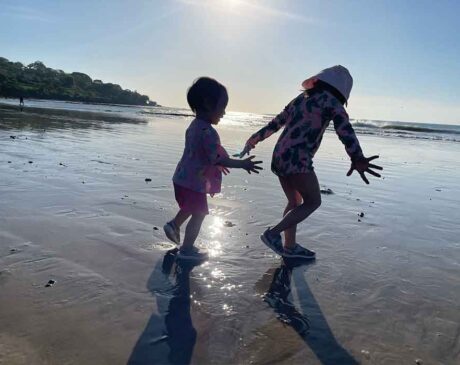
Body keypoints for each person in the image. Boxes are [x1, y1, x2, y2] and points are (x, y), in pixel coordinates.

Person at [239, 65, 382, 259]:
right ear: (343, 91)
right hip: (298, 160)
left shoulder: (301, 99)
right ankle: (273, 234)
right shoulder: (333, 103)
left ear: (318, 81)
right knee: (313, 201)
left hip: (279, 156)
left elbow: (276, 122)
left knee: (294, 201)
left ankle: (290, 248)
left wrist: (254, 139)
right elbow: (345, 131)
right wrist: (357, 157)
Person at [164, 77, 262, 261]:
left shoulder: (194, 127)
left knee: (191, 207)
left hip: (182, 178)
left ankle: (174, 225)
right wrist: (242, 164)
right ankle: (186, 249)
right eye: (222, 107)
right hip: (194, 182)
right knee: (199, 213)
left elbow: (207, 150)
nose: (224, 112)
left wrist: (221, 158)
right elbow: (215, 158)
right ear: (208, 104)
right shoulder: (208, 131)